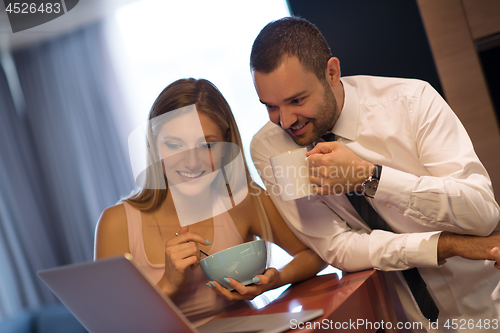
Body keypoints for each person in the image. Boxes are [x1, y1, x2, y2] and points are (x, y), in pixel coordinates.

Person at [249, 17, 500, 332]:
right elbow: (337, 248)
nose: (285, 121)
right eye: (270, 107)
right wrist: (444, 245)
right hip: (402, 321)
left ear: (331, 73)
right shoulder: (270, 147)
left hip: (487, 309)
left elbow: (482, 214)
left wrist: (372, 177)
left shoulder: (411, 102)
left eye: (296, 101)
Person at [94, 78, 326, 326]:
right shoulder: (116, 224)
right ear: (153, 145)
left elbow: (317, 252)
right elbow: (109, 325)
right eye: (174, 145)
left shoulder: (242, 199)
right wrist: (167, 285)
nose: (192, 162)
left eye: (207, 145)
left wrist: (275, 279)